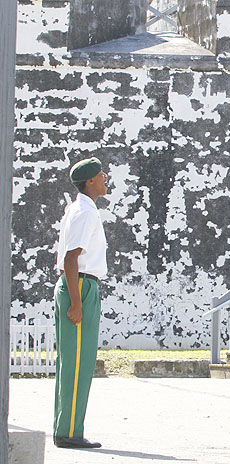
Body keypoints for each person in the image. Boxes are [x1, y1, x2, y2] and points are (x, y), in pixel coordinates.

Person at [53, 157, 108, 448]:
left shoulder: (78, 208)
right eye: (101, 175)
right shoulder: (85, 212)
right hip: (81, 285)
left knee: (70, 362)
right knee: (78, 364)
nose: (105, 178)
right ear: (90, 182)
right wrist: (76, 302)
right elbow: (71, 257)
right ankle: (70, 432)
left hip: (78, 283)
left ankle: (65, 427)